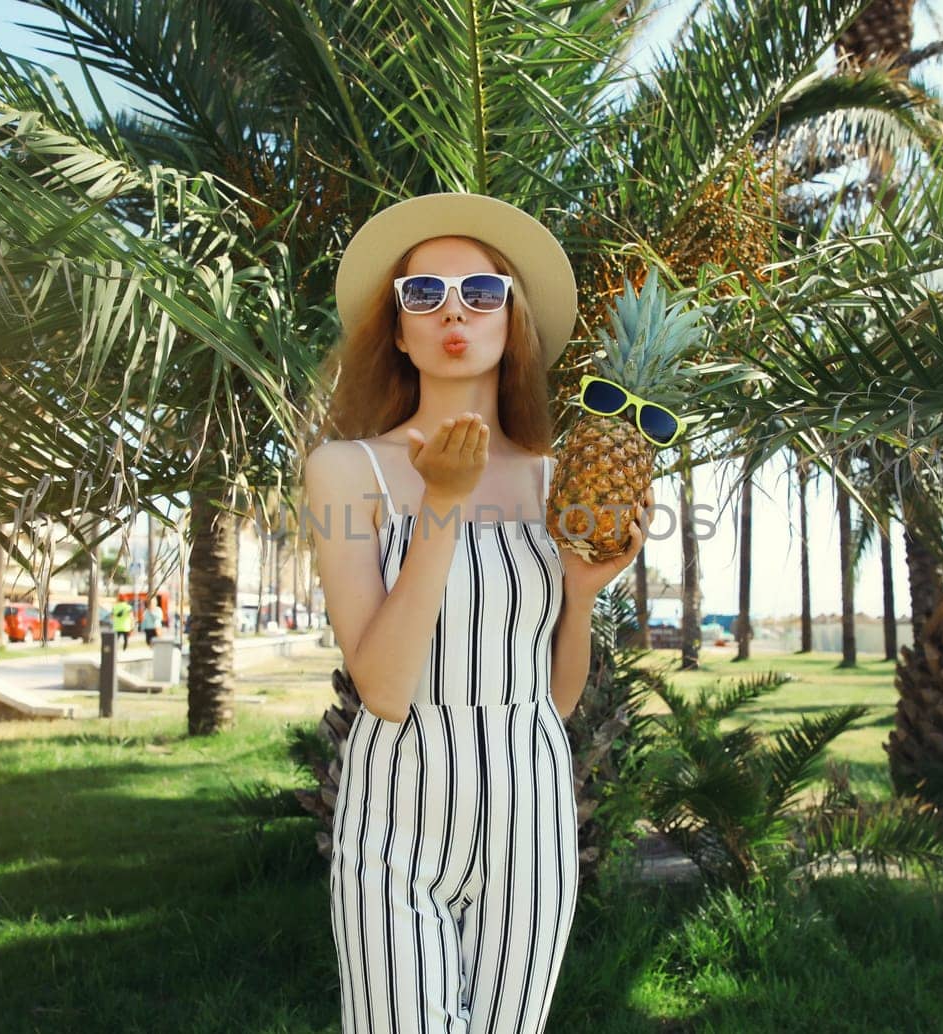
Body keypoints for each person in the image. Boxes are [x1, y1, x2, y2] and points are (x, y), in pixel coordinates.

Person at [303, 192, 650, 1033]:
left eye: (482, 292)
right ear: (397, 327)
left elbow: (554, 701)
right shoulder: (347, 471)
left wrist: (582, 592)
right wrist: (442, 507)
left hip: (532, 816)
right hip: (396, 818)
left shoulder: (555, 475)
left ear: (512, 319)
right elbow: (383, 688)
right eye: (423, 294)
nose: (454, 310)